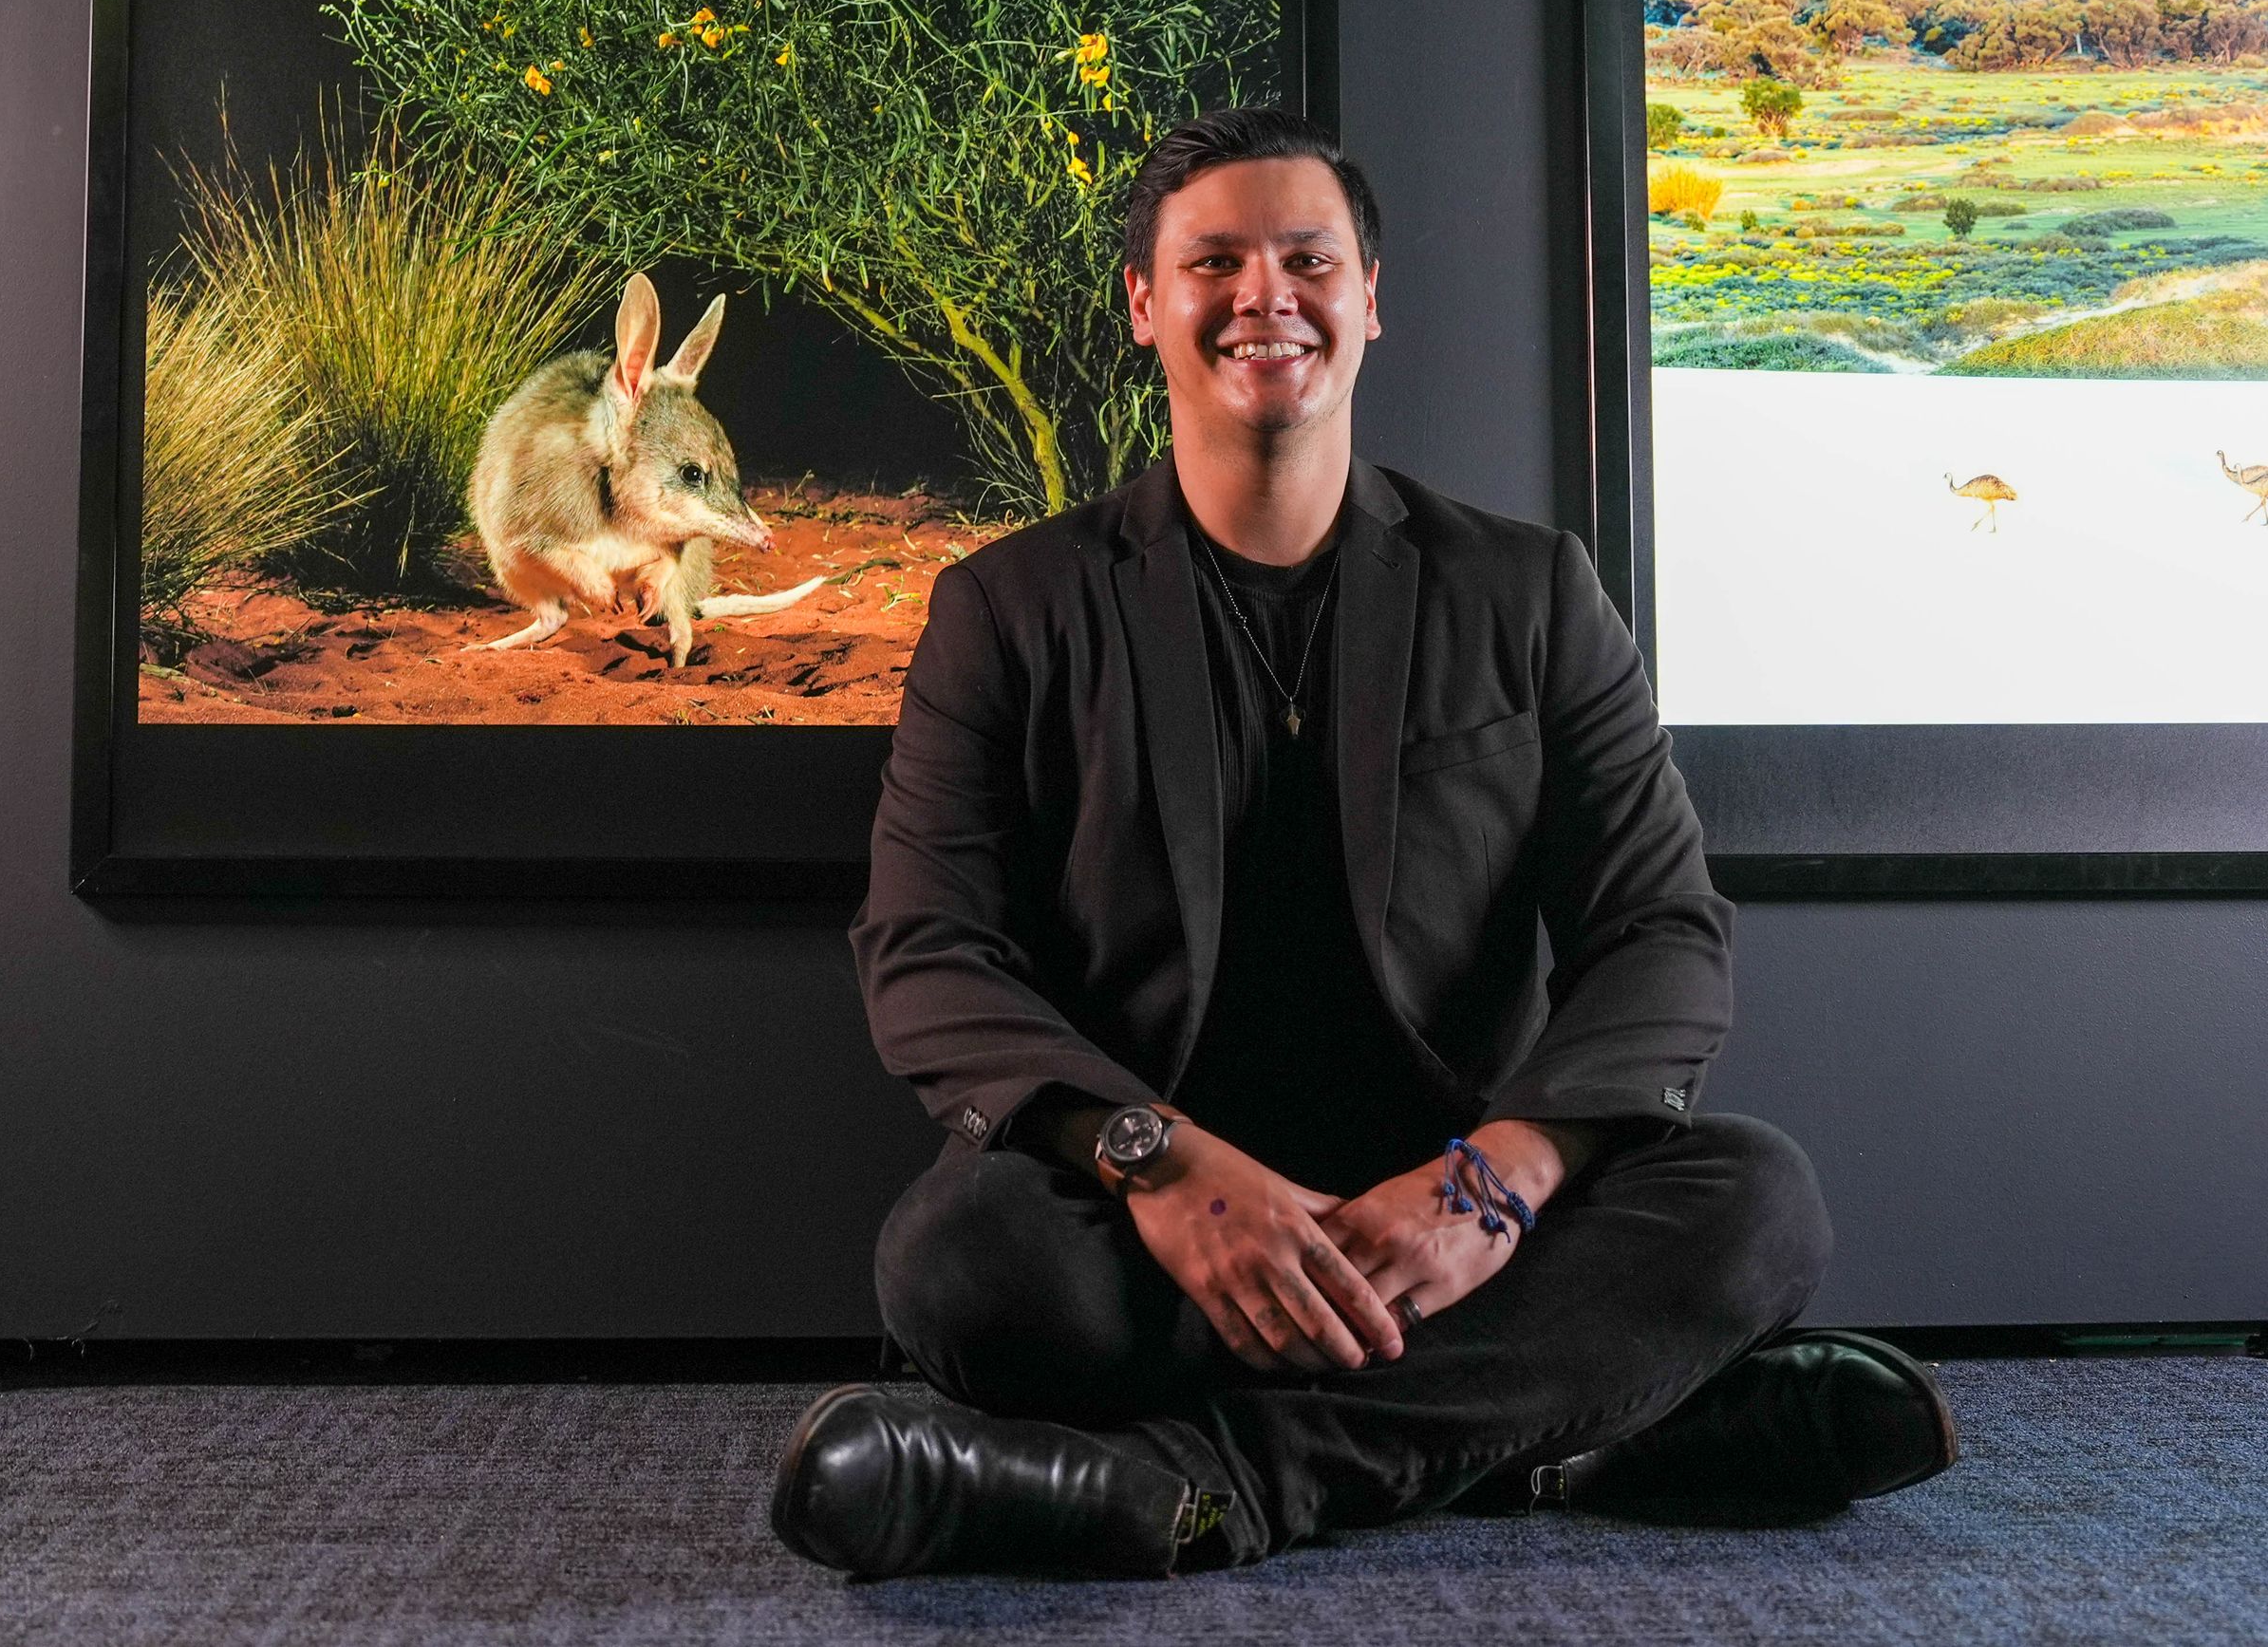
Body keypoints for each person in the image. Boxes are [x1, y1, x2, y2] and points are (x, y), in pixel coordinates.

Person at [769, 107, 1957, 1580]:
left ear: (1370, 301)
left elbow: (1661, 932)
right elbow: (928, 952)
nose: (1265, 294)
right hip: (1151, 1229)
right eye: (1215, 261)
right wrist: (1163, 1165)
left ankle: (1205, 1486)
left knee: (1754, 1199)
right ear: (1147, 306)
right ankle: (1571, 1439)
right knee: (955, 1261)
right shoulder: (1009, 608)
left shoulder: (1530, 592)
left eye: (1307, 259)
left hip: (1451, 1220)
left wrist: (1498, 1182)